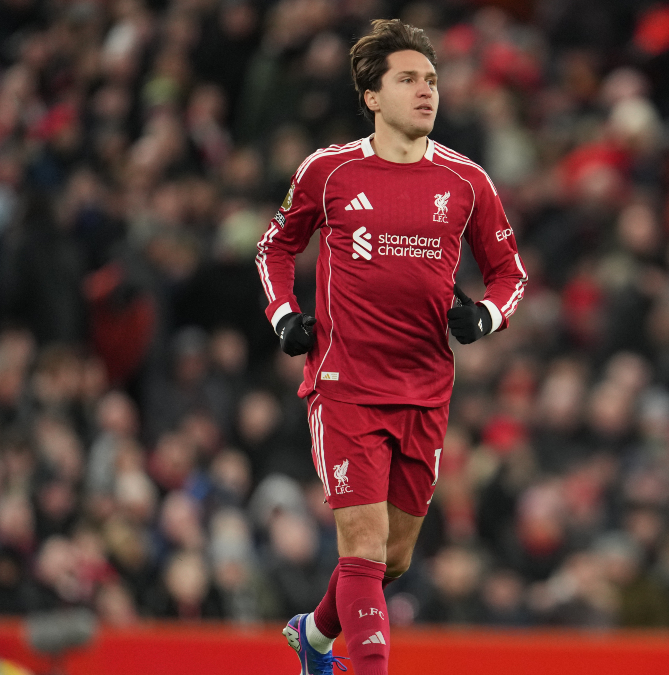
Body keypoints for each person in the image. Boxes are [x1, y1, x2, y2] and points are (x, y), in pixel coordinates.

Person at [255, 18, 527, 675]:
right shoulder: (328, 170)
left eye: (431, 79)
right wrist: (285, 316)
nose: (426, 90)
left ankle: (313, 636)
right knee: (364, 548)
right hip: (345, 383)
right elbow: (274, 247)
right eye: (408, 79)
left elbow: (510, 274)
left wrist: (485, 317)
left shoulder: (467, 181)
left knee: (393, 558)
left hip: (426, 390)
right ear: (372, 96)